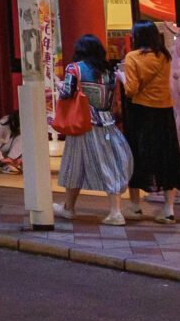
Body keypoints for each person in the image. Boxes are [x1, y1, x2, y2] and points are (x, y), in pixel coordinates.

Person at [57, 34, 134, 226]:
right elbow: (110, 101)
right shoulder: (108, 71)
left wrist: (59, 85)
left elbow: (67, 93)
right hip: (106, 124)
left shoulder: (74, 68)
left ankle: (73, 208)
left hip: (81, 124)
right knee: (110, 164)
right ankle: (107, 210)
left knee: (74, 165)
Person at [116, 23, 180, 222]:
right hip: (164, 113)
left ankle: (135, 205)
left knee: (135, 156)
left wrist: (121, 76)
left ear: (138, 37)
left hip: (141, 114)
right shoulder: (165, 56)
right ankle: (169, 209)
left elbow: (132, 89)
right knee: (166, 158)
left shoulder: (133, 57)